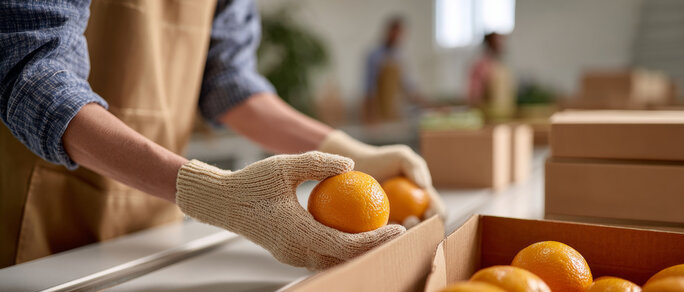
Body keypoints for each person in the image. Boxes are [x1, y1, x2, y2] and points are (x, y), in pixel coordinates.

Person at [0, 0, 445, 270]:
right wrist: (212, 192)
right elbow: (30, 70)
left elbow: (230, 85)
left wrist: (348, 152)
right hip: (37, 215)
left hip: (152, 218)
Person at [362, 16, 426, 122]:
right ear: (388, 32)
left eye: (399, 34)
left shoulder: (400, 57)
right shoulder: (375, 56)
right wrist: (369, 115)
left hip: (396, 112)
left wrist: (427, 105)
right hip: (378, 112)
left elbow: (409, 87)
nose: (396, 37)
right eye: (394, 33)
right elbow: (369, 88)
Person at [468, 32, 516, 121]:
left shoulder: (501, 65)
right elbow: (474, 95)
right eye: (497, 42)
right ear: (489, 44)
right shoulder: (481, 66)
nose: (501, 45)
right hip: (488, 117)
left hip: (505, 116)